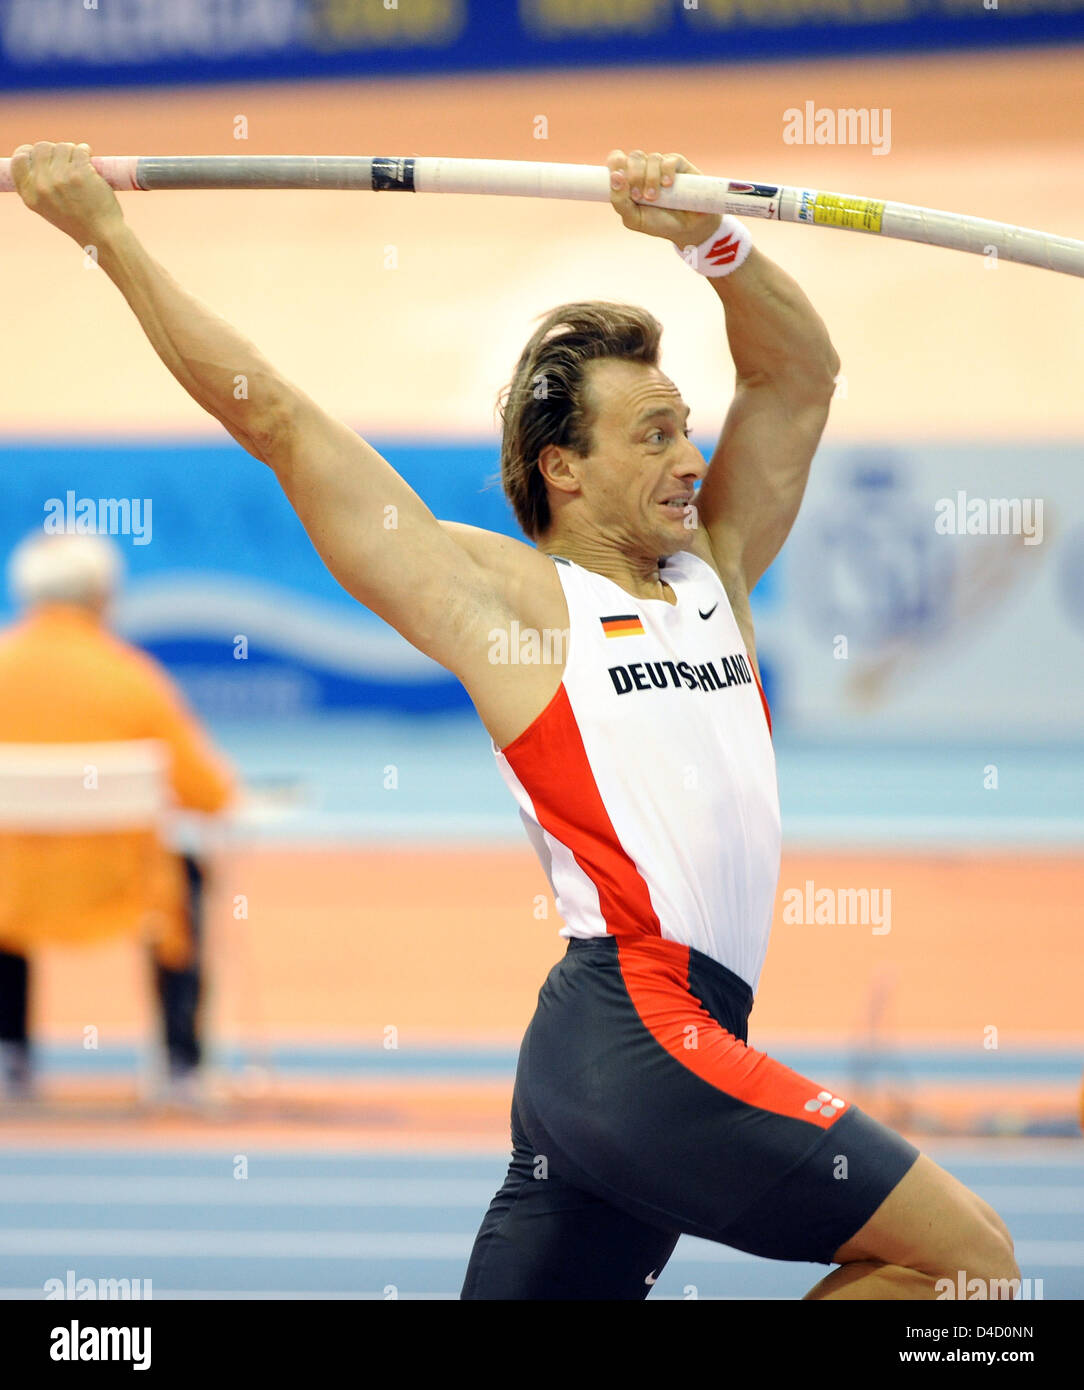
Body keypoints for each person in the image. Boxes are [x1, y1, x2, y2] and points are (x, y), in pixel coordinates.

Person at [11, 141, 1019, 1299]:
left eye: (684, 426)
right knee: (972, 1268)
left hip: (626, 1063)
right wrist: (107, 235)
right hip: (637, 1037)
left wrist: (709, 239)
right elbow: (279, 421)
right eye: (652, 435)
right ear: (563, 469)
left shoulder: (715, 575)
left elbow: (799, 379)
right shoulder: (514, 609)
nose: (692, 458)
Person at [0, 529, 234, 1101]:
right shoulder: (130, 679)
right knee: (189, 872)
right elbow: (207, 794)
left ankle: (11, 1057)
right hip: (121, 887)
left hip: (11, 893)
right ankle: (181, 1061)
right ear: (102, 596)